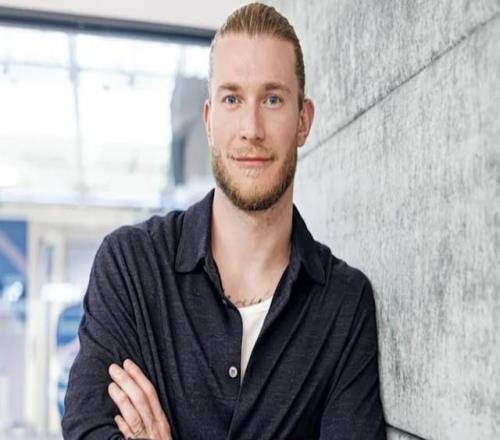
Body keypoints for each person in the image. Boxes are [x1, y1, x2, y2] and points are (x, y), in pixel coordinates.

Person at [61, 3, 386, 439]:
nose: (251, 128)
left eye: (272, 99)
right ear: (210, 120)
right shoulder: (130, 266)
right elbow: (87, 431)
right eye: (232, 99)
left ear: (303, 121)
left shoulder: (344, 304)